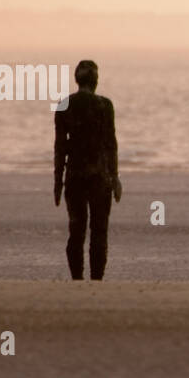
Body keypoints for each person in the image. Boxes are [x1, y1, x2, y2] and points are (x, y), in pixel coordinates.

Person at [54, 59, 121, 279]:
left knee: (76, 231)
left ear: (77, 79)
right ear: (96, 81)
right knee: (99, 231)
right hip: (100, 177)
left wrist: (57, 181)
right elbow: (111, 144)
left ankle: (77, 280)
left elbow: (60, 147)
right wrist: (116, 177)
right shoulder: (105, 105)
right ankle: (96, 280)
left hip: (74, 177)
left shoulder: (64, 105)